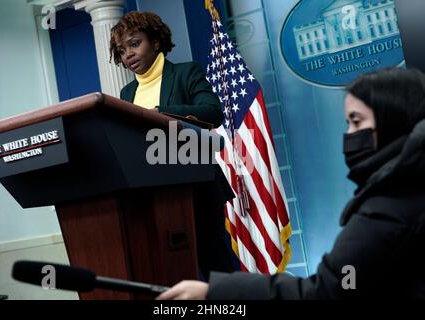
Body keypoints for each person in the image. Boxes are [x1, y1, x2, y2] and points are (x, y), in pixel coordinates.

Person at [157, 67, 425, 300]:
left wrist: (214, 291)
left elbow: (332, 289)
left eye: (356, 122)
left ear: (393, 121)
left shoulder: (389, 207)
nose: (349, 135)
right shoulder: (408, 193)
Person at [109, 11, 235, 279]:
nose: (128, 54)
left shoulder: (185, 72)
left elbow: (212, 112)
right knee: (173, 272)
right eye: (121, 50)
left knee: (217, 269)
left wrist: (160, 113)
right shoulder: (126, 94)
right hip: (151, 191)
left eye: (134, 43)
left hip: (195, 185)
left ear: (155, 42)